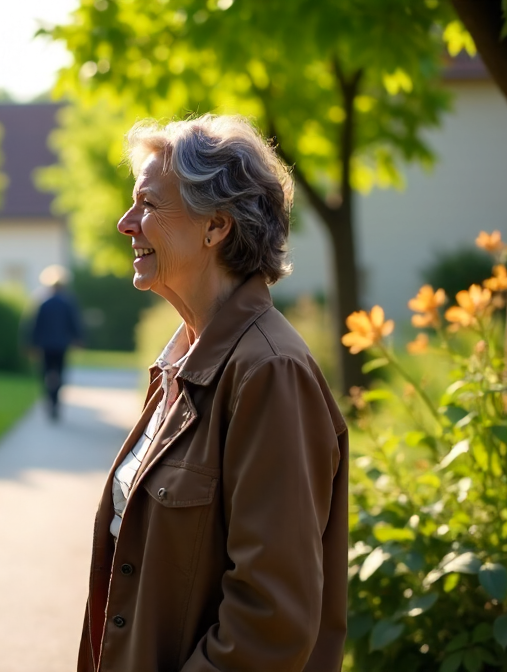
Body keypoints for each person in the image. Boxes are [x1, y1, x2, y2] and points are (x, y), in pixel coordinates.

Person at [78, 115, 348, 672]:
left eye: (149, 205)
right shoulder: (185, 362)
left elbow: (268, 620)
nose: (126, 223)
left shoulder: (269, 373)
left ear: (215, 227)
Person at [30, 265, 83, 420]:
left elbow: (34, 324)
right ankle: (55, 401)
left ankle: (49, 399)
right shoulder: (68, 302)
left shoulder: (42, 302)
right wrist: (78, 339)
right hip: (61, 345)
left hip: (45, 345)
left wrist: (32, 343)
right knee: (59, 374)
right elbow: (74, 323)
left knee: (46, 373)